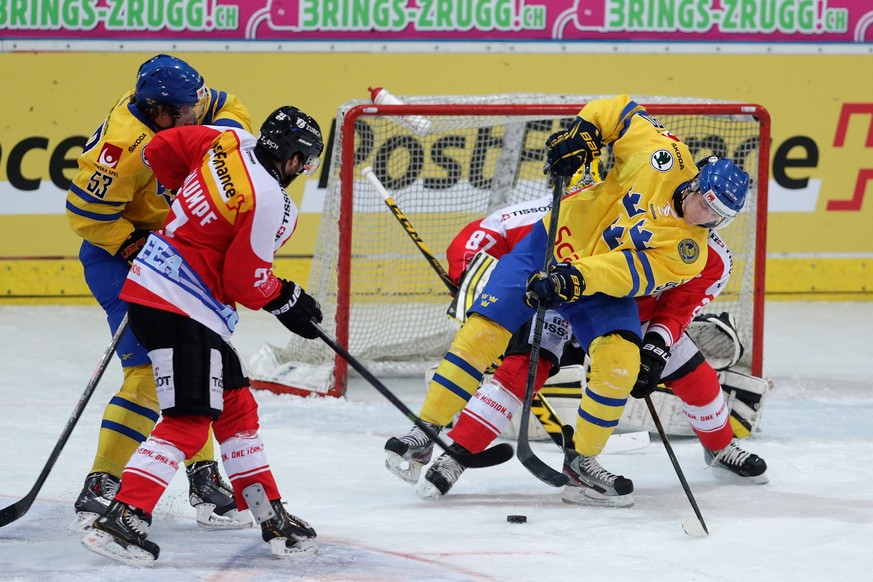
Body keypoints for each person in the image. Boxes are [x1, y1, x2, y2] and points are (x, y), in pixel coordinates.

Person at [384, 94, 750, 508]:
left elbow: (623, 272)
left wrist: (575, 280)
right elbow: (620, 109)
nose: (704, 218)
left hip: (594, 286)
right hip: (547, 247)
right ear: (697, 183)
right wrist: (585, 133)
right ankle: (425, 432)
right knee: (483, 332)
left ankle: (584, 466)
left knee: (621, 363)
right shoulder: (664, 155)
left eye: (717, 216)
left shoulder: (690, 252)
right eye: (705, 204)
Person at [81, 106, 325, 564]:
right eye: (305, 162)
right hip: (179, 305)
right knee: (190, 418)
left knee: (235, 406)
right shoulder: (269, 199)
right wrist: (286, 298)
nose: (302, 171)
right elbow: (243, 280)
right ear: (294, 159)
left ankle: (269, 513)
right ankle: (125, 515)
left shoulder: (229, 140)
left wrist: (182, 198)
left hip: (175, 301)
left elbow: (161, 147)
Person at [65, 54, 254, 529]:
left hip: (170, 254)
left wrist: (214, 144)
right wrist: (133, 244)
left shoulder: (181, 101)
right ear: (160, 110)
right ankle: (103, 482)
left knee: (199, 359)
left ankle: (203, 475)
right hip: (116, 256)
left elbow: (233, 106)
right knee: (151, 370)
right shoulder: (121, 147)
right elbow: (84, 215)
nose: (197, 113)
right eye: (187, 112)